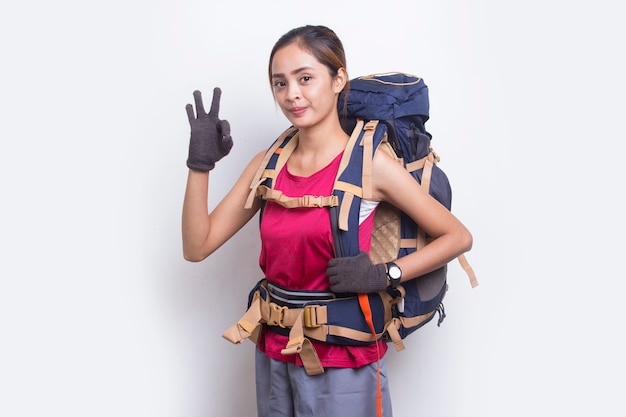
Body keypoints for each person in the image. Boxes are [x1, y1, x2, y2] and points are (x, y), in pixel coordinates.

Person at [182, 25, 472, 417]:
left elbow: (457, 236)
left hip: (345, 360)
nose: (292, 94)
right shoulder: (268, 164)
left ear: (338, 80)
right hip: (275, 351)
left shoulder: (371, 166)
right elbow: (197, 247)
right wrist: (200, 166)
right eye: (279, 83)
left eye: (305, 78)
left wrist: (385, 274)